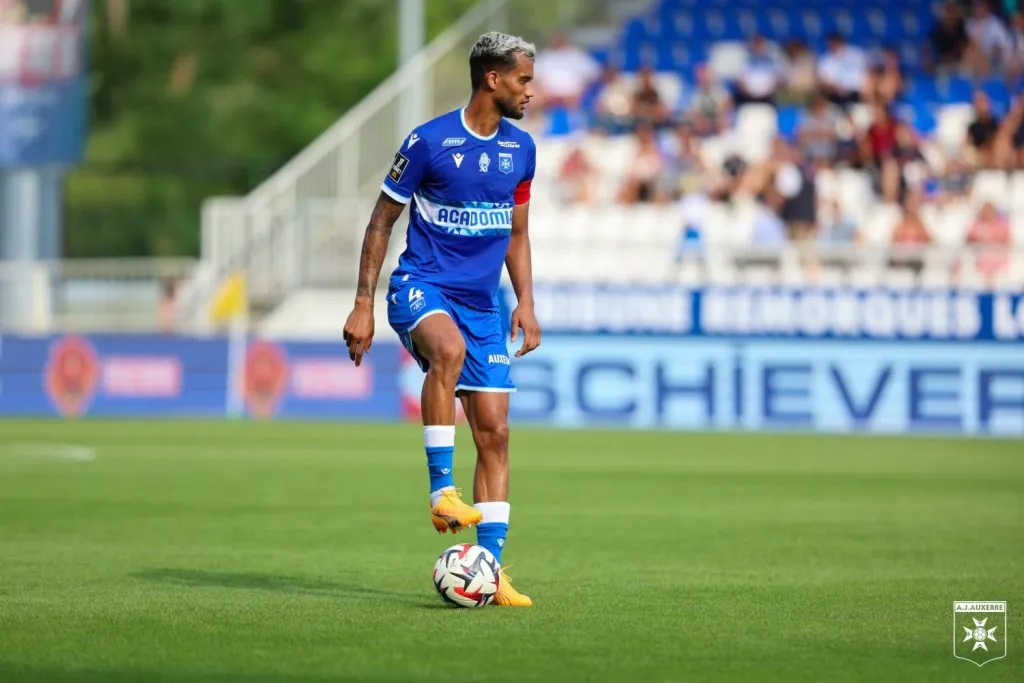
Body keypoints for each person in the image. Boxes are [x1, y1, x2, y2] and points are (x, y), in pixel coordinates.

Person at [342, 32, 541, 608]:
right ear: (492, 79)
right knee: (446, 351)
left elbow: (518, 233)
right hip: (420, 286)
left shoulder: (522, 149)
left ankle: (490, 570)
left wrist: (525, 301)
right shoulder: (428, 141)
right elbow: (381, 220)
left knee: (495, 432)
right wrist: (363, 303)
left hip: (482, 306)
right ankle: (441, 494)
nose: (530, 91)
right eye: (523, 79)